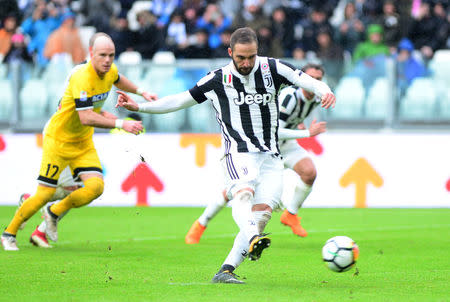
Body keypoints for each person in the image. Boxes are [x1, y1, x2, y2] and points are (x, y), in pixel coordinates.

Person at [116, 27, 335, 284]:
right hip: (239, 152)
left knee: (262, 215)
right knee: (243, 194)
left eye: (251, 57)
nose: (246, 63)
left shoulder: (273, 68)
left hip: (271, 156)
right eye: (241, 57)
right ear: (231, 53)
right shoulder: (217, 79)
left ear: (257, 53)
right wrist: (139, 106)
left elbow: (306, 80)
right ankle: (252, 238)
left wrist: (325, 90)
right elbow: (179, 101)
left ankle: (226, 270)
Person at [1, 32, 157, 251]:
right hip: (59, 140)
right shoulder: (81, 77)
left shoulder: (109, 71)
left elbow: (118, 79)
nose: (108, 60)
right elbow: (85, 117)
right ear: (91, 54)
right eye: (102, 55)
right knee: (46, 193)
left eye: (111, 55)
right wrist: (122, 125)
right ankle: (9, 233)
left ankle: (52, 212)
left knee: (94, 187)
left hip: (82, 141)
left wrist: (142, 92)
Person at [185, 63, 329, 244]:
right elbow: (275, 131)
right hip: (265, 148)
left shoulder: (315, 99)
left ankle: (290, 215)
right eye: (311, 78)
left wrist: (297, 125)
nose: (314, 82)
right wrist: (306, 132)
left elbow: (287, 123)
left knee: (309, 173)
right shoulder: (290, 98)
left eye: (318, 79)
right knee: (234, 191)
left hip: (286, 146)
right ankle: (201, 223)